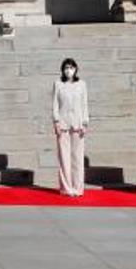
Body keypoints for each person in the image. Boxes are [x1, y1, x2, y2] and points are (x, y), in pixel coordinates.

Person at [52, 57, 88, 197]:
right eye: (66, 68)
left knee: (77, 158)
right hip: (63, 124)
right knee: (64, 158)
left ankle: (78, 188)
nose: (69, 71)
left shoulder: (82, 84)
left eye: (71, 68)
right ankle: (66, 188)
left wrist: (85, 122)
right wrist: (56, 122)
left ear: (76, 69)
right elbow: (55, 104)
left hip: (78, 125)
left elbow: (84, 104)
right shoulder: (58, 84)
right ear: (63, 70)